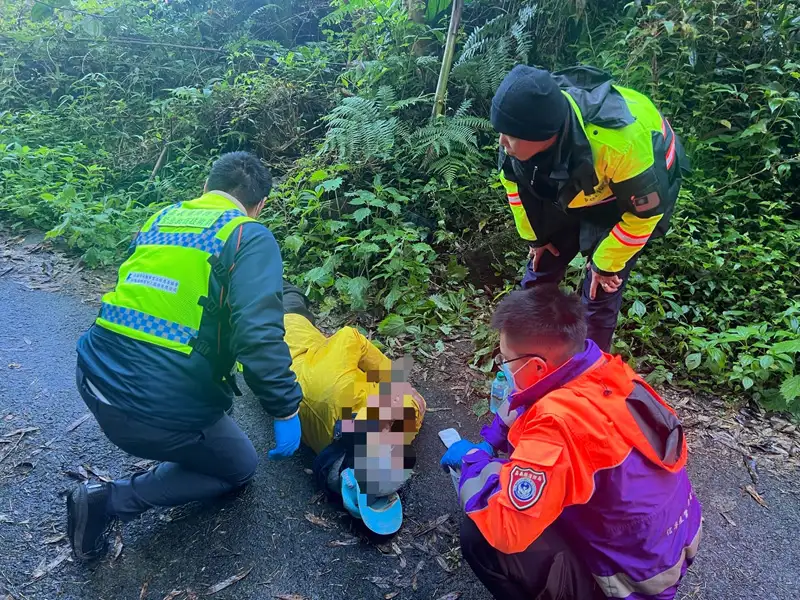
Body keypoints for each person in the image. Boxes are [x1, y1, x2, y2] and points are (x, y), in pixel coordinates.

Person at [68, 152, 303, 561]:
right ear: (259, 205)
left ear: (205, 189)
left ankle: (188, 435)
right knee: (240, 466)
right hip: (149, 410)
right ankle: (109, 501)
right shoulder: (248, 234)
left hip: (92, 376)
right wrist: (285, 409)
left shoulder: (163, 218)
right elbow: (259, 336)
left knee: (206, 414)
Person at [440, 285, 702, 600]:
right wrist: (494, 437)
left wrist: (472, 461)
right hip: (668, 546)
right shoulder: (599, 369)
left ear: (536, 365)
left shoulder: (557, 426)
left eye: (506, 360)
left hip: (632, 583)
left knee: (480, 535)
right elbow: (528, 400)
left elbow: (505, 528)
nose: (503, 367)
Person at [491, 65, 690, 351]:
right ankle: (521, 355)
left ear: (544, 134)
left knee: (600, 289)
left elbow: (644, 215)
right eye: (500, 131)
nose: (501, 142)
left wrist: (605, 264)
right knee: (542, 263)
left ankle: (587, 375)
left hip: (632, 192)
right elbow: (515, 187)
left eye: (509, 136)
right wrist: (536, 239)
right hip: (572, 184)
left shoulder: (620, 145)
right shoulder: (519, 125)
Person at [281, 282, 426, 535]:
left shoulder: (339, 387)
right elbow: (412, 408)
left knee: (285, 293)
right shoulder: (335, 459)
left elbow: (350, 336)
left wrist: (395, 378)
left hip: (288, 332)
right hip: (267, 365)